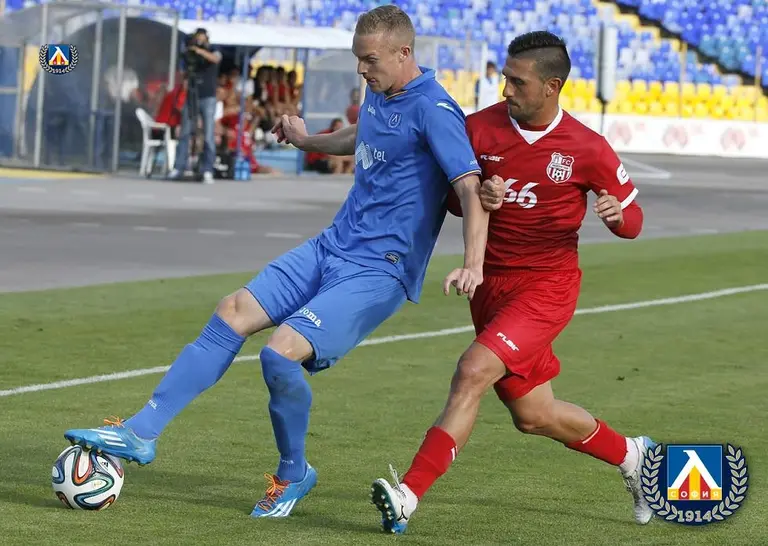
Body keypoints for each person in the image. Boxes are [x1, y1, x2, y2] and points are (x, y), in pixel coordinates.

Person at [63, 5, 488, 519]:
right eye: (358, 59)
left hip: (380, 270)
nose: (361, 70)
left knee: (279, 354)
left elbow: (470, 188)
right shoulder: (380, 92)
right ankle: (141, 431)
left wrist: (473, 263)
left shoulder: (436, 110)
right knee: (232, 310)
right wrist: (308, 141)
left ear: (404, 53)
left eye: (370, 60)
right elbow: (363, 135)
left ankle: (293, 473)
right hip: (333, 245)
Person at [371, 31, 654, 535]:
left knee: (472, 370)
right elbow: (451, 199)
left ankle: (407, 495)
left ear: (551, 86)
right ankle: (635, 457)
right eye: (505, 78)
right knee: (534, 414)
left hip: (547, 288)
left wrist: (616, 216)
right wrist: (480, 195)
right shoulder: (479, 129)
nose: (506, 89)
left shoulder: (587, 147)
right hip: (490, 286)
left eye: (518, 82)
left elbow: (633, 221)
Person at [168, 28, 222, 184]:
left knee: (208, 134)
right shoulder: (190, 54)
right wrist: (190, 54)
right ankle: (179, 167)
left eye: (202, 39)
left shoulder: (213, 50)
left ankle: (207, 169)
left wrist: (199, 51)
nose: (199, 42)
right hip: (192, 95)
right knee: (185, 132)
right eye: (197, 39)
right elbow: (184, 74)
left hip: (208, 97)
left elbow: (215, 59)